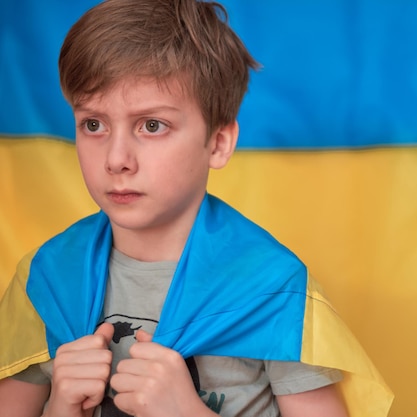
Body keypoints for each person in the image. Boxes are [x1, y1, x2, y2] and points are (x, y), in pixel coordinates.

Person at [0, 0, 393, 416]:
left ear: (218, 143)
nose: (116, 159)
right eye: (93, 124)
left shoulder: (270, 286)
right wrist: (62, 406)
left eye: (152, 125)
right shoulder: (45, 278)